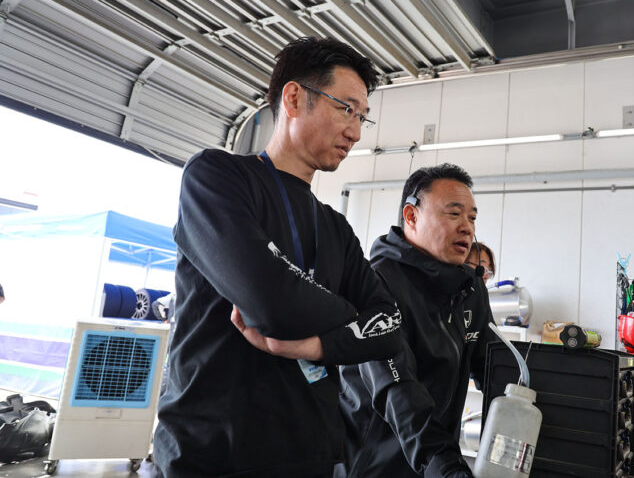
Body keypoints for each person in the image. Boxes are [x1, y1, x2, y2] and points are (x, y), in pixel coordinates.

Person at [153, 36, 403, 478]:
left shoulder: (335, 227)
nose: (356, 131)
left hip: (312, 455)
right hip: (213, 454)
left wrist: (316, 345)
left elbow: (391, 326)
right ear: (294, 98)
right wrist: (350, 316)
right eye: (346, 109)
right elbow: (270, 303)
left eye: (363, 117)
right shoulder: (217, 178)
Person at [336, 164, 494, 477]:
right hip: (373, 467)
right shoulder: (376, 286)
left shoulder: (470, 289)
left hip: (431, 464)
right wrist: (448, 469)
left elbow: (495, 370)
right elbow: (398, 392)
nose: (467, 228)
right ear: (411, 216)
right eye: (454, 213)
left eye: (472, 218)